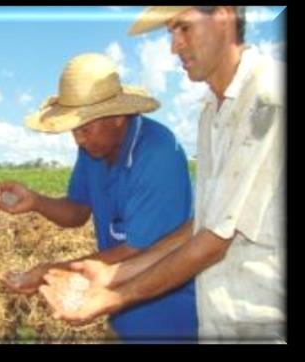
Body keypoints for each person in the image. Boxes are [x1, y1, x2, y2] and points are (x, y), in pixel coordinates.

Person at [40, 6, 286, 343]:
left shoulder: (267, 99)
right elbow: (203, 223)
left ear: (225, 16)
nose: (174, 45)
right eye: (171, 31)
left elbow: (213, 242)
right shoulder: (212, 111)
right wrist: (112, 273)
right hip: (219, 322)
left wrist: (111, 296)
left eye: (184, 28)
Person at [0, 53, 198, 342]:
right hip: (117, 309)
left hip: (169, 317)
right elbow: (77, 211)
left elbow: (138, 251)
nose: (78, 139)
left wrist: (48, 271)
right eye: (74, 129)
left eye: (85, 128)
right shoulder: (93, 149)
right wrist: (36, 201)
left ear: (116, 117)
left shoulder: (158, 153)